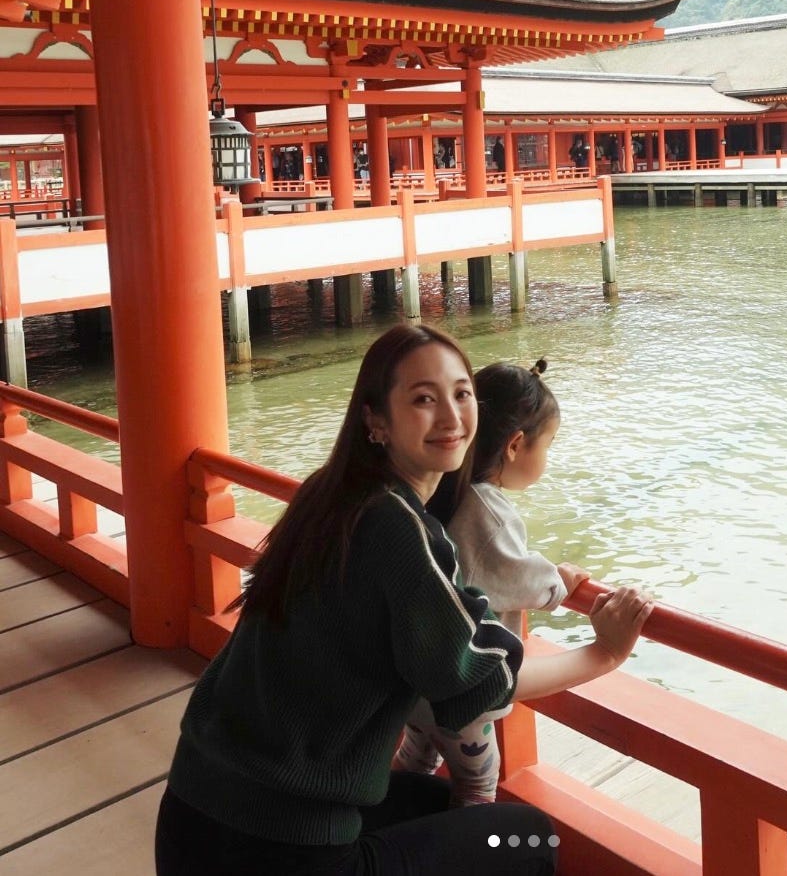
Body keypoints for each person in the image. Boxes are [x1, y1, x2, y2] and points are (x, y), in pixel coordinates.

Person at [155, 323, 652, 876]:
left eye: (461, 393)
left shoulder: (330, 492)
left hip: (193, 816)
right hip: (284, 850)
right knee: (527, 838)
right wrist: (605, 653)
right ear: (376, 420)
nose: (451, 416)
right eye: (423, 399)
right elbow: (481, 680)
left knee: (438, 805)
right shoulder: (396, 527)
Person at [394, 359, 586, 804]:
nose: (548, 456)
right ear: (516, 445)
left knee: (416, 759)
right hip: (462, 689)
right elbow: (518, 577)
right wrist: (559, 581)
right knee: (478, 785)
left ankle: (389, 819)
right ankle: (463, 842)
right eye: (548, 444)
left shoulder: (439, 484)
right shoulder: (488, 508)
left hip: (418, 676)